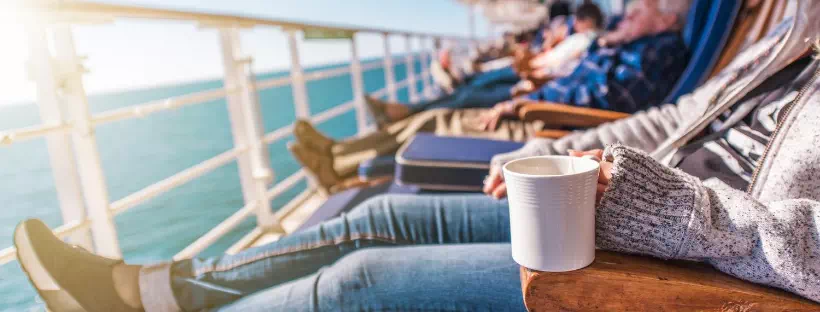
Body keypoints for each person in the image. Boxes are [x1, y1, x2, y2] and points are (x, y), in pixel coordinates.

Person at [14, 4, 820, 311]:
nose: (634, 5)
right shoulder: (795, 42)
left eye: (649, 1)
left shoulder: (665, 44)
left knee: (360, 283)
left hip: (705, 261)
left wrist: (660, 208)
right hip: (642, 200)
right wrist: (563, 149)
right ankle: (154, 288)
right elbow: (678, 119)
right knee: (382, 211)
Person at [368, 0, 691, 127]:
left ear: (666, 20)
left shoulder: (655, 52)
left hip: (552, 117)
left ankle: (351, 156)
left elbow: (601, 97)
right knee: (460, 105)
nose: (628, 12)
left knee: (450, 116)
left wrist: (527, 99)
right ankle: (351, 155)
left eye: (641, 7)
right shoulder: (629, 44)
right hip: (542, 99)